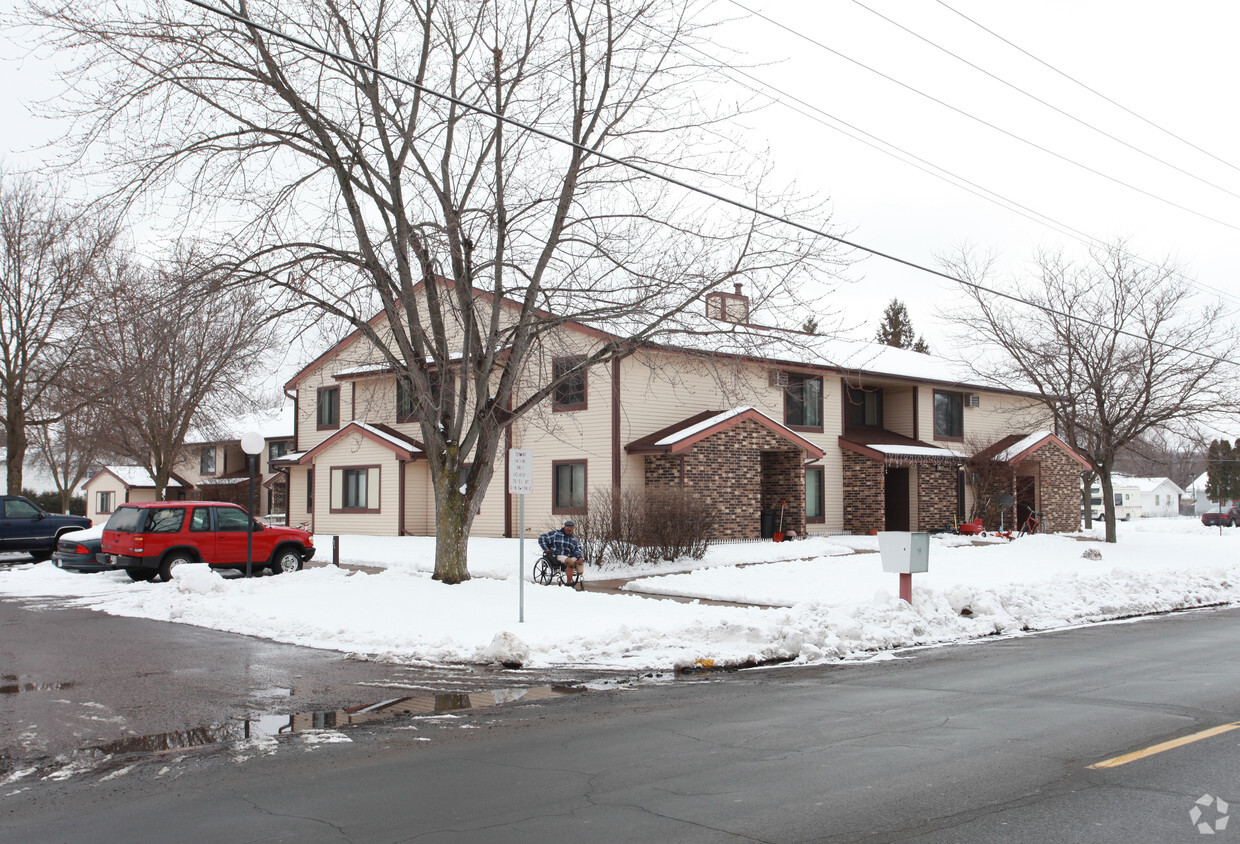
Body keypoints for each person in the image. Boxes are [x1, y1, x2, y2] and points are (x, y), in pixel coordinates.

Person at [538, 519, 585, 587]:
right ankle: (569, 584)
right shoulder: (556, 534)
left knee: (579, 561)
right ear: (564, 527)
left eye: (571, 527)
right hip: (557, 554)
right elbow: (541, 537)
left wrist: (579, 557)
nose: (570, 529)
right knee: (570, 562)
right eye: (568, 527)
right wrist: (546, 548)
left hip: (568, 556)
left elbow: (578, 548)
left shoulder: (573, 539)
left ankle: (578, 576)